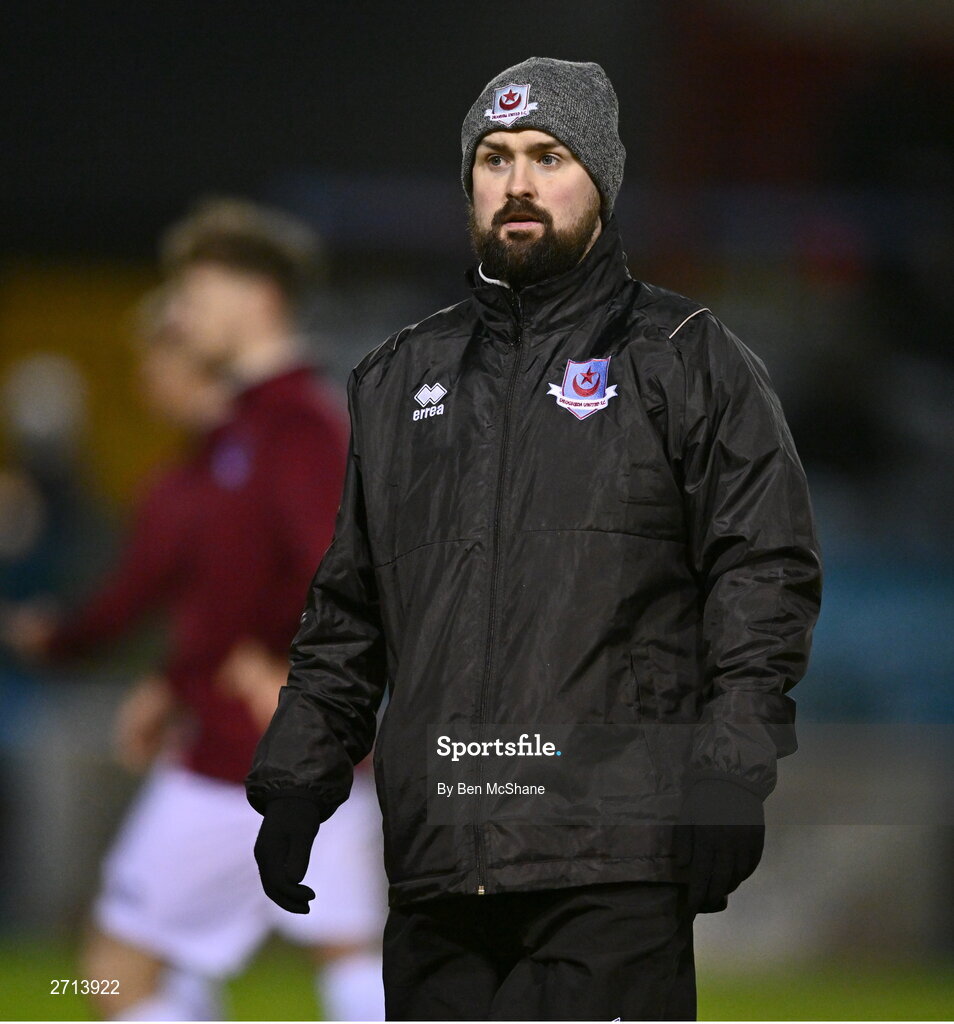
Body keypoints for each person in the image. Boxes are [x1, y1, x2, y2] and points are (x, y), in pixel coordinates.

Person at [246, 58, 822, 1021]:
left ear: (601, 179)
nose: (518, 183)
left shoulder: (685, 358)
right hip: (438, 872)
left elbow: (763, 576)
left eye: (549, 156)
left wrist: (728, 776)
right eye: (495, 158)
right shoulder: (396, 379)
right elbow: (349, 611)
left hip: (612, 863)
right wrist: (297, 784)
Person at [6, 207, 387, 1022]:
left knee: (114, 972)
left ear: (252, 297)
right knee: (349, 957)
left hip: (240, 754)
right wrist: (177, 677)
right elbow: (231, 590)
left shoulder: (291, 427)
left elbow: (342, 567)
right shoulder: (252, 429)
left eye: (194, 292)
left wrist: (284, 660)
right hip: (293, 745)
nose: (180, 314)